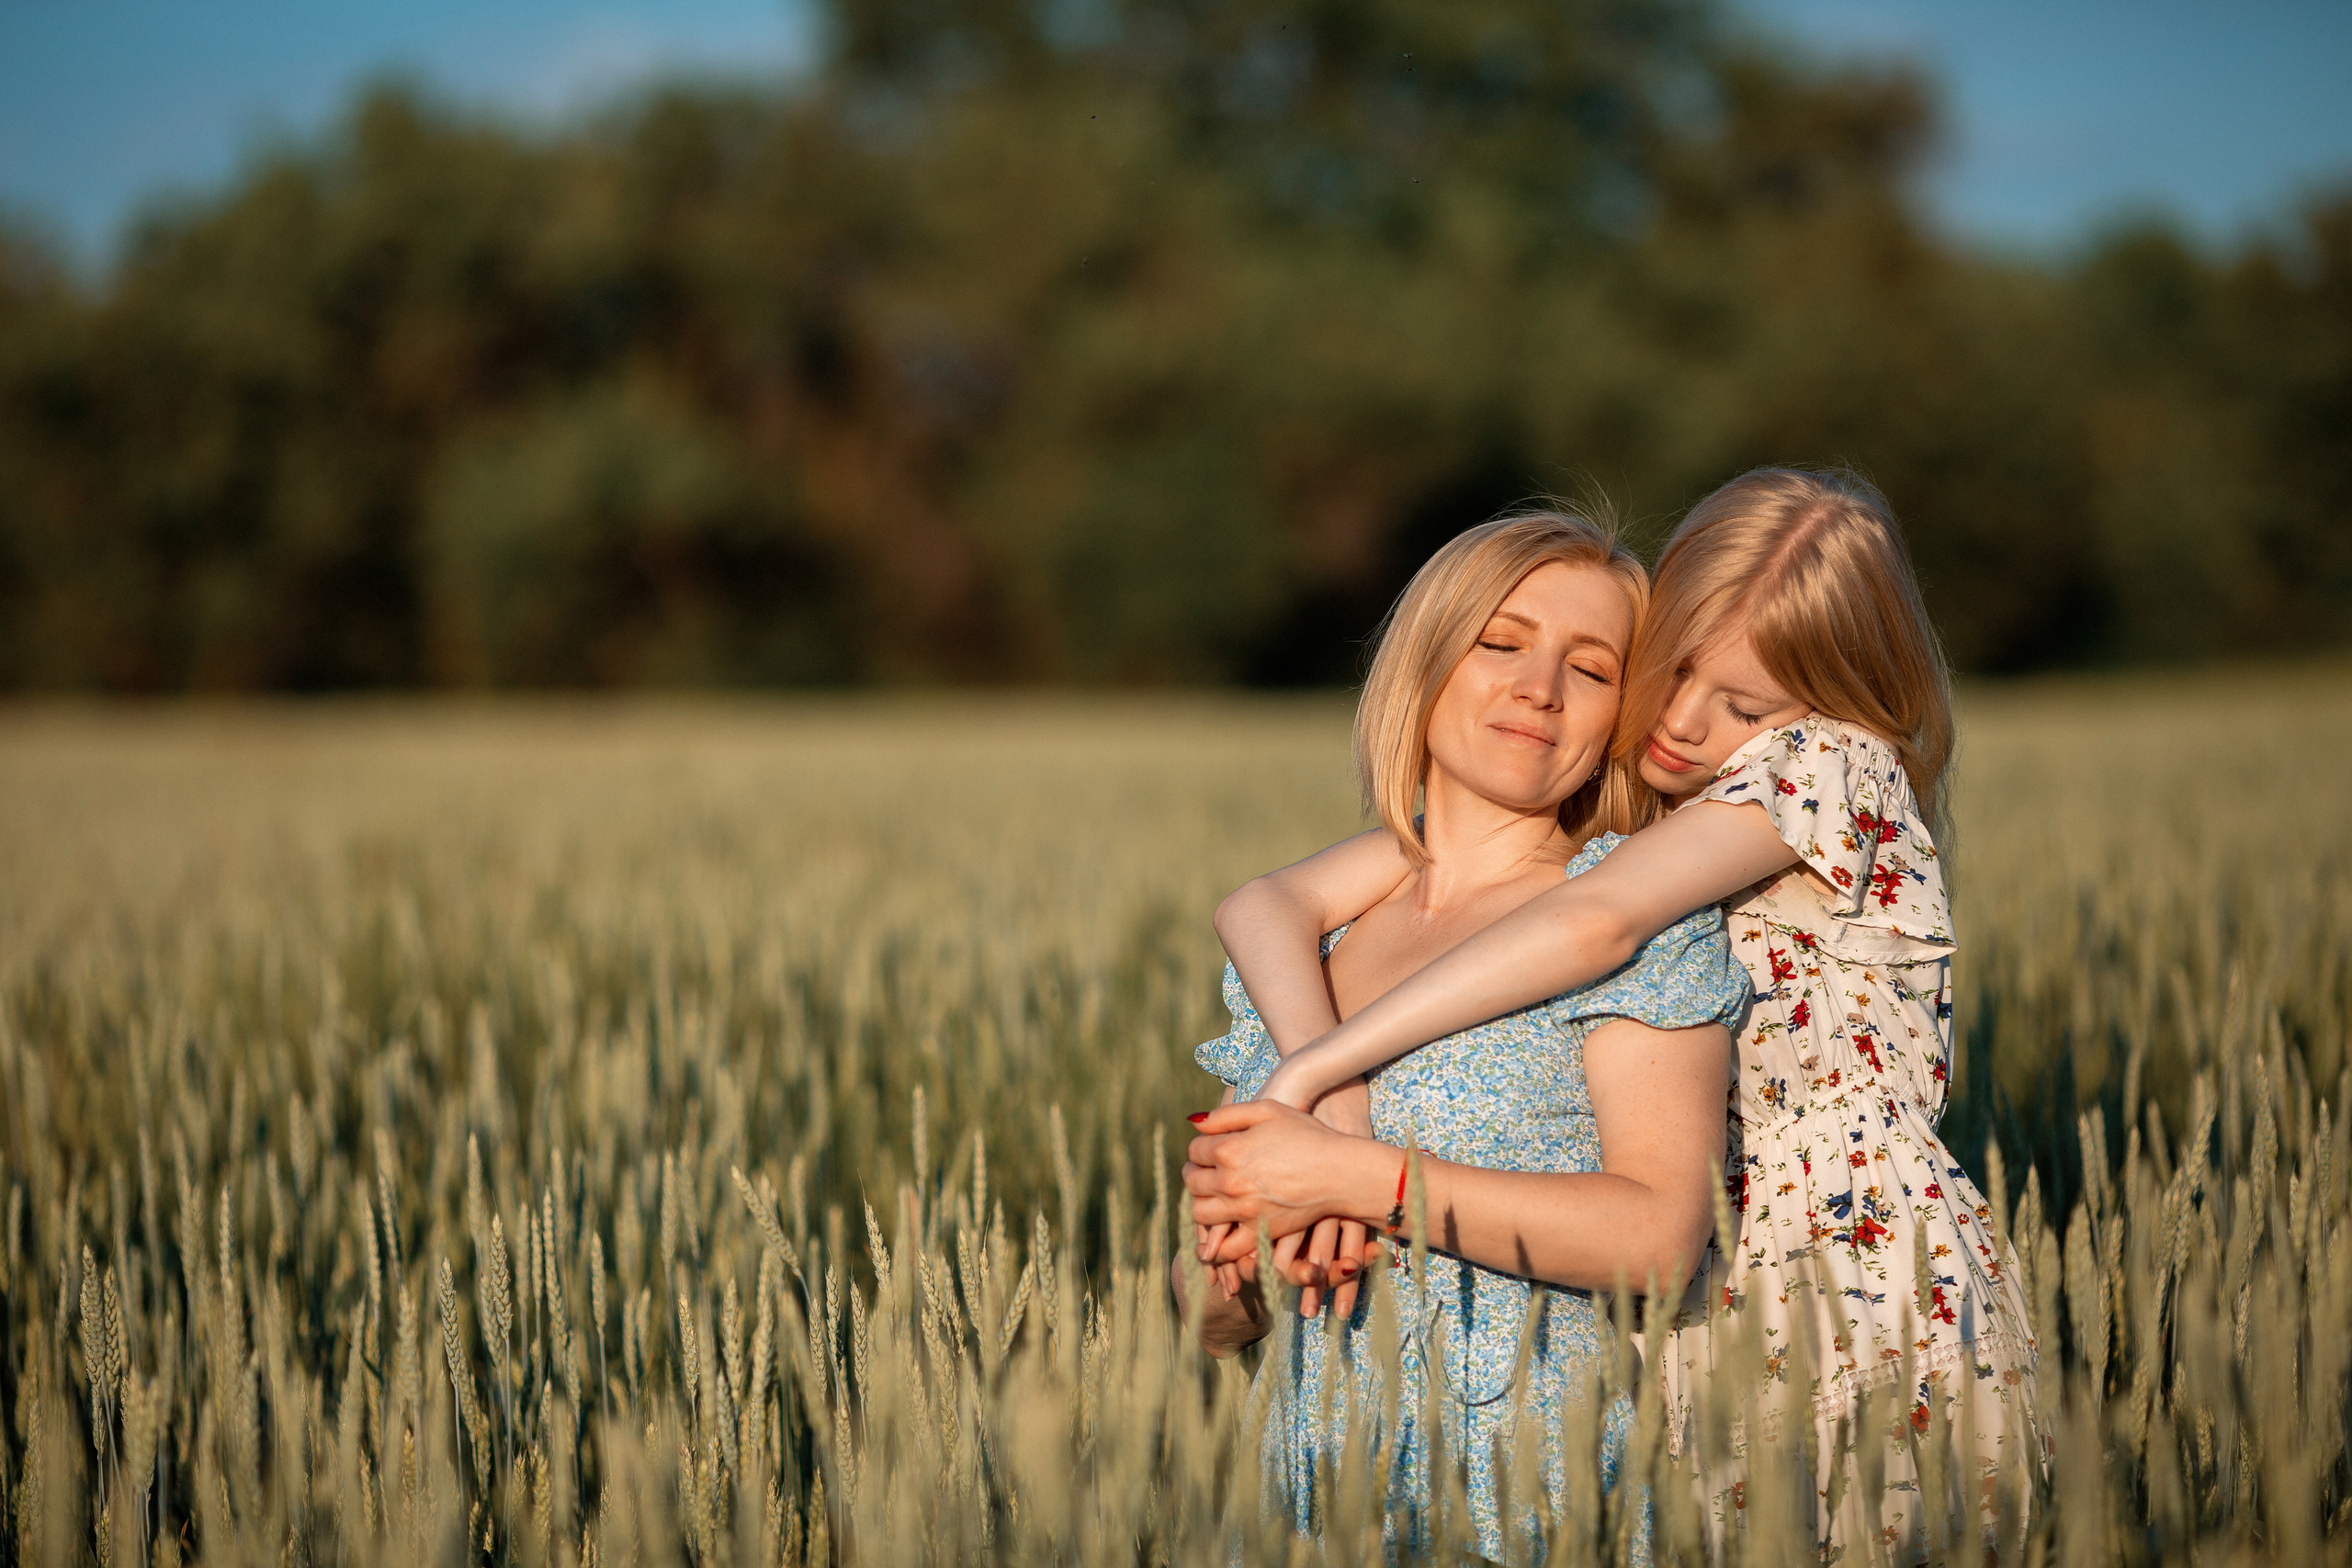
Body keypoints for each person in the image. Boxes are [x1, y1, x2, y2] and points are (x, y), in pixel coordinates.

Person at [1197, 468, 2041, 1556]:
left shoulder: (1818, 769)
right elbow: (1262, 899)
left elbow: (1592, 925)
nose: (1685, 724)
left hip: (1838, 1275)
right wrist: (1304, 1134)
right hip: (1682, 1328)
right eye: (1669, 672)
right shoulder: (1394, 908)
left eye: (1740, 705)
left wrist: (1316, 1098)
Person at [1176, 507, 1750, 1561]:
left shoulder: (1635, 926)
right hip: (1307, 1506)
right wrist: (1226, 1261)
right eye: (1502, 642)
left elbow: (1662, 1237)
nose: (1539, 686)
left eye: (1591, 667)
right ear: (1427, 663)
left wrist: (1359, 1178)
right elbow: (1215, 1322)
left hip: (1528, 1499)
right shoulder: (1310, 941)